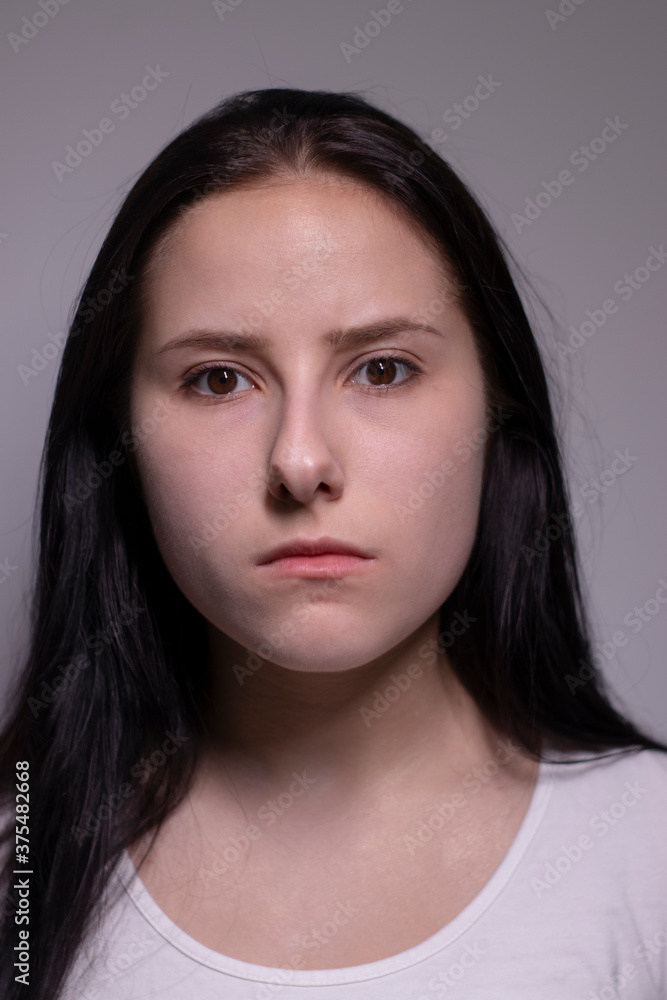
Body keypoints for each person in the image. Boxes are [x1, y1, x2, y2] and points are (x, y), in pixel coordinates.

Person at [0, 87, 665, 1000]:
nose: (301, 460)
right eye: (219, 378)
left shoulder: (646, 857)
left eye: (382, 369)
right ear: (119, 436)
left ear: (497, 408)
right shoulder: (19, 866)